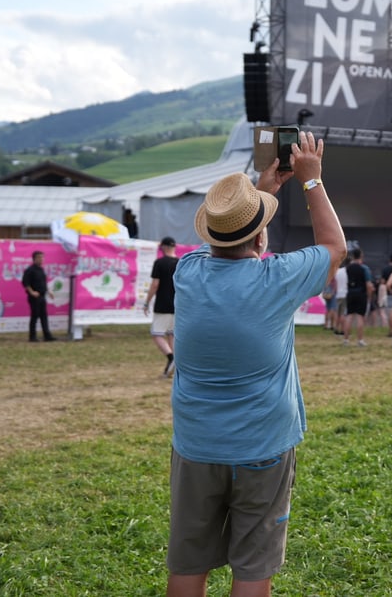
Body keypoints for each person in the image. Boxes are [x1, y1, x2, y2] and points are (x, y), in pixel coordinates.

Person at [165, 131, 346, 597]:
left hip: (197, 445)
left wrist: (258, 196)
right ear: (261, 235)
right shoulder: (277, 278)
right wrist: (311, 181)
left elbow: (230, 241)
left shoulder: (188, 274)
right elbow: (334, 246)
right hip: (263, 446)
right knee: (252, 570)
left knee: (188, 561)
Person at [144, 236, 179, 377]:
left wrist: (147, 302)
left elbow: (155, 285)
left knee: (156, 334)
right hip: (177, 305)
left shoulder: (159, 263)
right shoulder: (180, 263)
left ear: (163, 247)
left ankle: (171, 357)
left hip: (163, 304)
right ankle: (176, 366)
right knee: (172, 334)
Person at [21, 250, 57, 342]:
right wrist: (32, 292)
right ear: (35, 259)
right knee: (35, 316)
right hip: (34, 297)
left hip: (42, 296)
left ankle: (47, 335)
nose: (42, 259)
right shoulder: (30, 270)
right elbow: (25, 282)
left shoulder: (41, 270)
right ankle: (32, 337)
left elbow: (43, 283)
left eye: (42, 257)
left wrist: (49, 291)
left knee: (44, 316)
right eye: (39, 257)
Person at [342, 248, 374, 346]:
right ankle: (360, 340)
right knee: (360, 317)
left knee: (349, 316)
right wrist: (369, 296)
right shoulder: (364, 268)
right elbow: (368, 284)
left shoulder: (348, 268)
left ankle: (346, 340)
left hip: (350, 293)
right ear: (361, 256)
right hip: (361, 294)